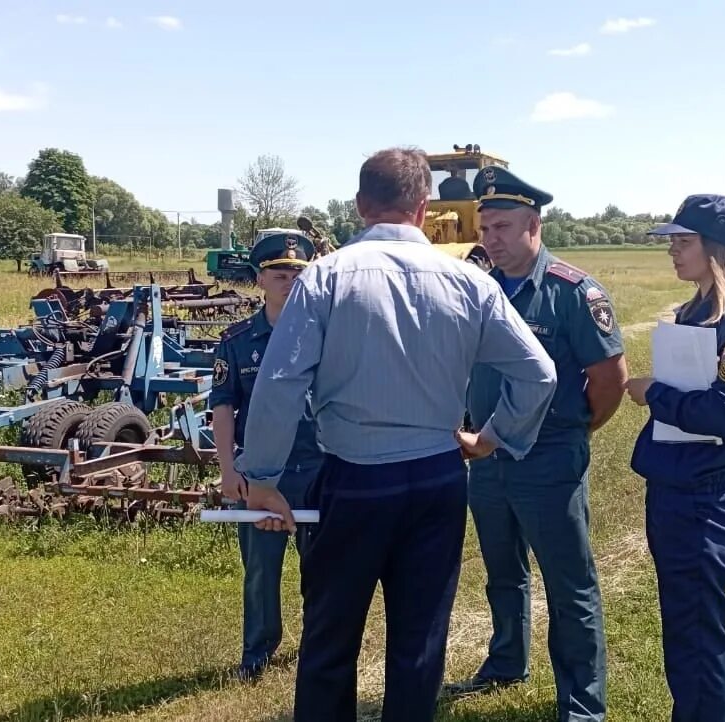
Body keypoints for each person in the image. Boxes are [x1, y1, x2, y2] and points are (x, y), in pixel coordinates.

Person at [233, 146, 558, 722]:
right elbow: (538, 373)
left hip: (353, 479)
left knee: (331, 639)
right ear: (424, 204)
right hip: (436, 478)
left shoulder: (326, 278)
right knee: (419, 644)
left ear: (360, 205)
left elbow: (280, 383)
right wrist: (491, 437)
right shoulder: (470, 280)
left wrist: (260, 477)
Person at [443, 166, 627, 721]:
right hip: (486, 456)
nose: (489, 238)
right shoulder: (480, 289)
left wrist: (572, 430)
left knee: (569, 583)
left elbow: (610, 381)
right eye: (486, 227)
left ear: (534, 225)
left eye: (501, 227)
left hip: (549, 458)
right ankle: (505, 662)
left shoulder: (574, 293)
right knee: (503, 572)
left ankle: (582, 702)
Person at [623, 193, 725, 722]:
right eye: (672, 241)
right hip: (672, 487)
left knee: (697, 628)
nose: (672, 250)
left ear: (716, 248)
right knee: (683, 623)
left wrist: (654, 394)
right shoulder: (696, 310)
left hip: (701, 496)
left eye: (683, 241)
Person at [209, 230, 323, 683]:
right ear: (259, 279)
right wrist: (227, 470)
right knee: (260, 572)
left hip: (318, 469)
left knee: (323, 568)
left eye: (298, 272)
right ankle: (257, 652)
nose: (289, 279)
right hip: (259, 474)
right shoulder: (237, 341)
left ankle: (321, 646)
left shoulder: (325, 336)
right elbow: (222, 407)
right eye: (279, 272)